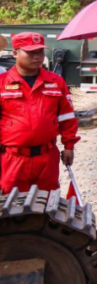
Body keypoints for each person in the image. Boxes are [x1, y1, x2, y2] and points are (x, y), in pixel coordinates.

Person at [0, 32, 79, 194]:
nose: (37, 56)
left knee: (47, 203)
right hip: (12, 159)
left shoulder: (55, 82)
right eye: (30, 52)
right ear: (15, 53)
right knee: (11, 204)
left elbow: (67, 117)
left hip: (47, 158)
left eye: (40, 52)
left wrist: (69, 146)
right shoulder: (2, 82)